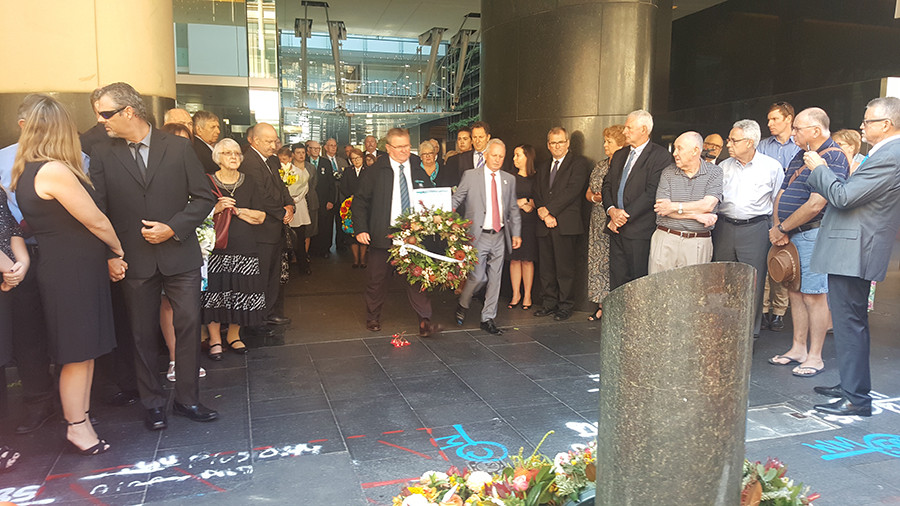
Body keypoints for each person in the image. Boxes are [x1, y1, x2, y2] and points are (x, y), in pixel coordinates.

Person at [89, 82, 218, 431]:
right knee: (141, 333)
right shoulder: (101, 152)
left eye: (105, 113)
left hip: (179, 254)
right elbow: (97, 209)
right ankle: (153, 403)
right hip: (134, 259)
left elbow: (204, 197)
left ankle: (188, 399)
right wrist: (111, 253)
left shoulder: (177, 147)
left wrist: (173, 228)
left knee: (189, 325)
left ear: (128, 111)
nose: (101, 121)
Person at [11, 95, 120, 454]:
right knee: (77, 353)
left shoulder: (29, 168)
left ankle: (82, 419)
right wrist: (118, 250)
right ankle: (76, 426)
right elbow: (96, 219)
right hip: (71, 272)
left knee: (83, 351)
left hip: (69, 270)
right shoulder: (53, 170)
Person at [806, 97, 900, 416]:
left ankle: (856, 398)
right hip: (854, 246)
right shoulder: (885, 153)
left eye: (867, 122)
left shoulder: (891, 154)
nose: (862, 127)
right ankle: (851, 382)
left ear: (886, 125)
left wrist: (819, 169)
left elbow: (844, 197)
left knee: (849, 323)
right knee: (850, 322)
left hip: (856, 248)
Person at [767, 108, 848, 377]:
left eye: (798, 129)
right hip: (790, 233)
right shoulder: (799, 155)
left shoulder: (834, 156)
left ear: (815, 131)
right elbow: (782, 192)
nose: (793, 133)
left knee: (814, 296)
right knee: (794, 292)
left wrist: (782, 227)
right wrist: (779, 226)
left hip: (813, 233)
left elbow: (817, 204)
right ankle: (798, 349)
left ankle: (815, 356)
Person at [0, 95, 61, 434]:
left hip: (63, 253)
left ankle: (76, 402)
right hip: (19, 259)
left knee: (68, 329)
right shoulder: (2, 160)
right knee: (28, 333)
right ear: (23, 125)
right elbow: (3, 218)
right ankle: (38, 402)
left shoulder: (74, 158)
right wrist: (11, 262)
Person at [353, 127, 439, 337]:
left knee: (417, 278)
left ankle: (424, 321)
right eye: (399, 147)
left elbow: (429, 196)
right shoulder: (375, 171)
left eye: (407, 146)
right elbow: (360, 201)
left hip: (413, 235)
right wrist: (361, 229)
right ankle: (372, 316)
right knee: (377, 279)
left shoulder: (418, 168)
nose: (404, 151)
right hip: (384, 233)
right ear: (389, 148)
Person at [714, 119, 784, 337]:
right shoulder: (723, 166)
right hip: (724, 227)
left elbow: (777, 201)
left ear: (750, 142)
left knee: (753, 283)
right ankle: (724, 332)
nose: (729, 144)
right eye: (729, 139)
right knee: (723, 281)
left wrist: (777, 229)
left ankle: (748, 335)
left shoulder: (771, 167)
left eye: (734, 140)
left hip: (756, 229)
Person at [203, 138, 267, 359]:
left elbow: (260, 216)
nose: (233, 157)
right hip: (215, 247)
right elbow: (195, 216)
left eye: (237, 153)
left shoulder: (249, 182)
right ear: (217, 157)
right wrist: (217, 208)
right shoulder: (207, 181)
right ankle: (214, 339)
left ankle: (233, 335)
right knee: (215, 293)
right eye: (227, 153)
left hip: (245, 246)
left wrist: (238, 211)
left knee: (242, 293)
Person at [453, 139, 522, 334]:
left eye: (501, 156)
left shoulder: (509, 179)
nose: (497, 159)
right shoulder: (471, 176)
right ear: (486, 155)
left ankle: (488, 318)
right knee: (478, 277)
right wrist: (439, 212)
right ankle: (463, 303)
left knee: (495, 278)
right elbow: (457, 198)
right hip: (478, 235)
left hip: (499, 235)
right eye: (494, 155)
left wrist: (516, 233)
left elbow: (513, 208)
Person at [158, 122, 209, 382]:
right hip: (160, 246)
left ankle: (190, 359)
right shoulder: (152, 172)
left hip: (191, 245)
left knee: (189, 306)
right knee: (167, 305)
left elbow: (205, 201)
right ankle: (175, 358)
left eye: (185, 142)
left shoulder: (194, 168)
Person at [601, 110, 673, 291]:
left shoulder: (660, 156)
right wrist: (611, 211)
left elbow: (652, 192)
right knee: (617, 281)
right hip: (615, 228)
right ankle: (619, 319)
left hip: (639, 230)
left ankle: (636, 320)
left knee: (638, 282)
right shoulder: (619, 155)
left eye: (629, 128)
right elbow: (607, 185)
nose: (624, 132)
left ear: (643, 129)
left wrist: (623, 216)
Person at [239, 123, 294, 331]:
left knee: (273, 274)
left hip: (276, 228)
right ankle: (257, 317)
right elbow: (261, 196)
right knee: (260, 276)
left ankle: (269, 312)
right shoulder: (249, 162)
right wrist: (282, 213)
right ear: (254, 140)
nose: (274, 146)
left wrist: (290, 205)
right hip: (261, 230)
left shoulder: (272, 160)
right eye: (269, 141)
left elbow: (282, 186)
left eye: (275, 141)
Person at [533, 127, 591, 321]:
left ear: (567, 143)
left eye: (560, 142)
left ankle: (565, 305)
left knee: (565, 268)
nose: (557, 146)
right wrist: (543, 212)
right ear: (548, 145)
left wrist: (550, 211)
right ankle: (549, 303)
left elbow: (572, 191)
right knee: (547, 267)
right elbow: (538, 192)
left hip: (565, 223)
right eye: (553, 143)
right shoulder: (543, 166)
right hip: (544, 223)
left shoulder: (578, 163)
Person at [649, 132, 723, 273]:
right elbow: (661, 209)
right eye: (675, 148)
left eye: (680, 148)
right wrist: (697, 216)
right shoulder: (668, 172)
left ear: (695, 150)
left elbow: (708, 205)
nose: (675, 153)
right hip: (666, 238)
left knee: (694, 292)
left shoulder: (714, 172)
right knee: (658, 291)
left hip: (697, 242)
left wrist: (674, 207)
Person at [758, 102, 802, 333]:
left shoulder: (800, 146)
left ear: (789, 119)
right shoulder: (763, 146)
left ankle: (779, 312)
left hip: (794, 214)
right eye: (769, 119)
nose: (770, 124)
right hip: (766, 212)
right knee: (767, 261)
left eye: (775, 119)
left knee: (786, 262)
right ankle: (764, 309)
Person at [585, 125, 624, 320]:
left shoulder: (624, 166)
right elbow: (588, 193)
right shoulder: (600, 166)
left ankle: (613, 305)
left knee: (613, 263)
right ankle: (600, 305)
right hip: (597, 219)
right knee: (597, 263)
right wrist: (595, 199)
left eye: (609, 142)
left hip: (616, 221)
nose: (604, 145)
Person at [509, 144, 538, 311]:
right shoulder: (511, 178)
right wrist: (519, 203)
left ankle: (527, 294)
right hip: (514, 223)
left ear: (528, 157)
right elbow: (504, 200)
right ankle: (515, 294)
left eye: (518, 155)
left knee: (528, 259)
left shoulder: (537, 177)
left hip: (531, 223)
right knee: (515, 259)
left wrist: (528, 202)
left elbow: (542, 198)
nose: (515, 159)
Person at [288, 143, 317, 275]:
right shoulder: (288, 169)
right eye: (298, 152)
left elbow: (313, 184)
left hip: (304, 203)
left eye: (303, 152)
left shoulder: (310, 168)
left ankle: (303, 263)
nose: (301, 155)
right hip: (290, 204)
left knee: (302, 234)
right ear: (293, 154)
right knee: (290, 234)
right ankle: (290, 260)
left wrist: (300, 196)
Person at [308, 140, 336, 258]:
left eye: (318, 149)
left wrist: (331, 200)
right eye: (313, 148)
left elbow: (331, 184)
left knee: (325, 224)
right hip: (309, 200)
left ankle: (324, 249)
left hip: (324, 200)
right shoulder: (304, 162)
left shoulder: (325, 162)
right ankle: (311, 249)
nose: (316, 151)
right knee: (312, 224)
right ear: (308, 149)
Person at [340, 148, 367, 267]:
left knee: (363, 231)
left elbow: (371, 187)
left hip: (365, 205)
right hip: (350, 204)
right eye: (353, 159)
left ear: (362, 158)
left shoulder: (369, 171)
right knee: (352, 234)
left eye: (358, 158)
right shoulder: (347, 171)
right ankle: (355, 260)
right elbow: (342, 186)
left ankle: (363, 259)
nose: (356, 161)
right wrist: (350, 196)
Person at [323, 138, 350, 252]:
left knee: (341, 222)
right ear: (326, 147)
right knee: (328, 224)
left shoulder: (342, 161)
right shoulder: (323, 161)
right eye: (331, 145)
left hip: (342, 197)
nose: (333, 148)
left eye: (335, 145)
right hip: (329, 197)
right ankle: (327, 246)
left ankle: (341, 244)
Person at [193, 110, 221, 174]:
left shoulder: (203, 147)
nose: (218, 131)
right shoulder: (197, 150)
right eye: (212, 127)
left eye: (218, 127)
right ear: (199, 129)